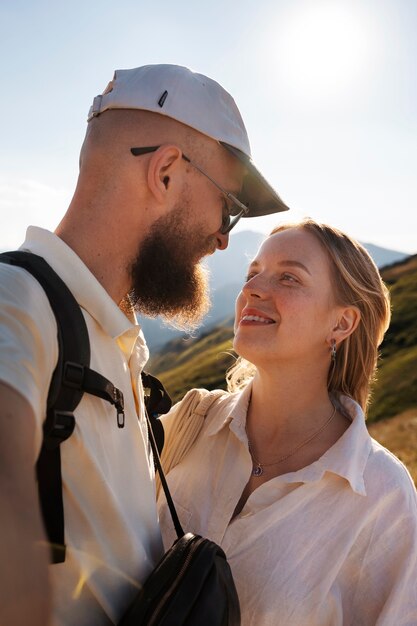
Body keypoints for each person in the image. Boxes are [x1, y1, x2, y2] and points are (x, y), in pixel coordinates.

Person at [0, 64, 289, 626]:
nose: (225, 235)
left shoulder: (115, 340)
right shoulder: (16, 301)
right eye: (227, 205)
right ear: (165, 174)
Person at [158, 218, 417, 626]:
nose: (252, 290)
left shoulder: (383, 496)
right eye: (253, 274)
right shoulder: (189, 422)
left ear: (341, 323)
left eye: (289, 278)